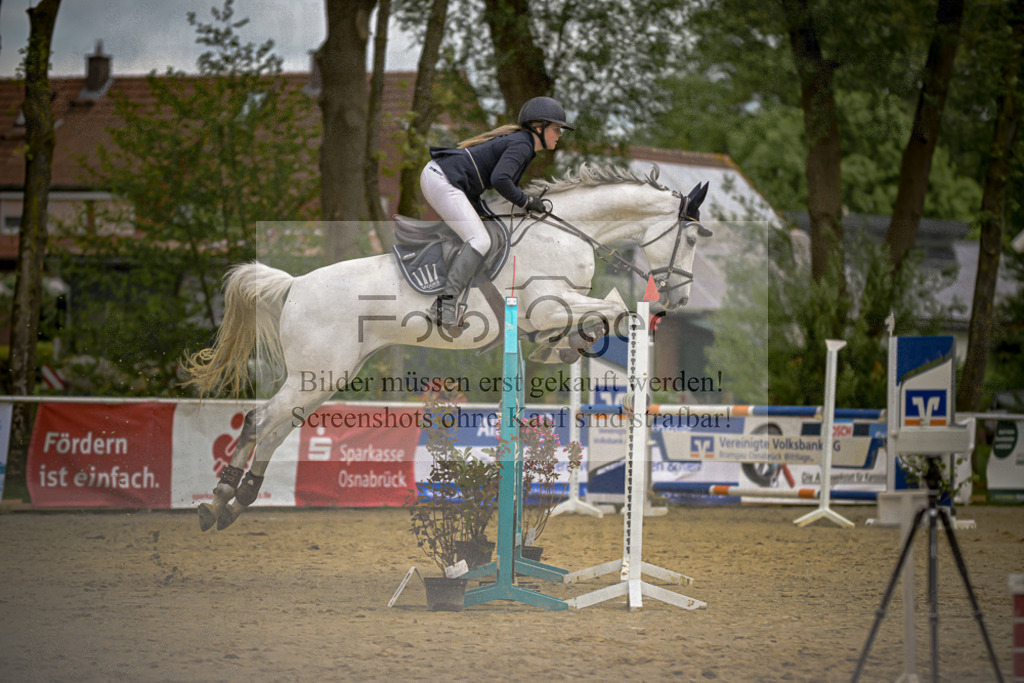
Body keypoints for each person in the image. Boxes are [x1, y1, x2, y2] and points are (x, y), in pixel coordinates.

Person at [420, 96, 573, 329]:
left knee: (487, 231)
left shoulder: (524, 145)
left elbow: (500, 184)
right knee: (480, 240)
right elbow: (500, 180)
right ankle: (445, 305)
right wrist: (527, 201)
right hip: (444, 179)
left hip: (454, 182)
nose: (560, 135)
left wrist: (524, 203)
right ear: (538, 128)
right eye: (556, 129)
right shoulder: (522, 144)